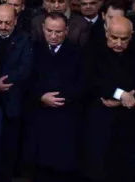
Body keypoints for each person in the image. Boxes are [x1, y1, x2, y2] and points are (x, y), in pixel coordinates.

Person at [81, 17, 135, 182]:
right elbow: (92, 80)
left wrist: (125, 99)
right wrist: (121, 95)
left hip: (128, 120)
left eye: (124, 39)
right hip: (100, 118)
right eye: (114, 38)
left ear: (131, 35)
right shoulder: (92, 50)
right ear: (106, 33)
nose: (119, 43)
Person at [25, 13, 86, 182]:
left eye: (58, 32)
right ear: (43, 29)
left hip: (66, 117)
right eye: (49, 31)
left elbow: (82, 83)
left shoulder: (77, 53)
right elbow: (26, 80)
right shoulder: (33, 50)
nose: (53, 36)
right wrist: (40, 97)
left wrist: (62, 98)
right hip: (39, 117)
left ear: (66, 30)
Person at [0, 4, 34, 182]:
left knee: (8, 150)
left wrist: (3, 82)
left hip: (11, 103)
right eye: (0, 22)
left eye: (8, 23)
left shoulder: (25, 38)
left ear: (16, 21)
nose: (3, 26)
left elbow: (25, 68)